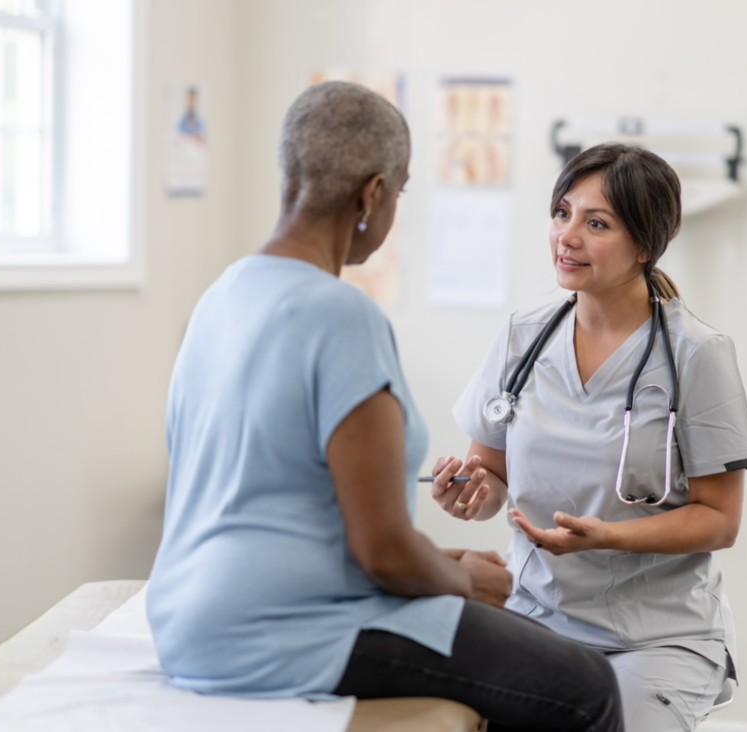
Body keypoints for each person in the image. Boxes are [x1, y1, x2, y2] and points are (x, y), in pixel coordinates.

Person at [147, 82, 623, 732]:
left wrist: (443, 561)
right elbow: (383, 554)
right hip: (285, 632)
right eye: (398, 192)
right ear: (372, 195)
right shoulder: (340, 314)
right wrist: (466, 584)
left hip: (185, 620)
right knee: (587, 686)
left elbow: (290, 509)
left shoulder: (222, 296)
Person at [432, 143, 747, 732]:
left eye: (596, 223)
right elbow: (490, 481)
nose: (568, 236)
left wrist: (605, 536)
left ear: (644, 245)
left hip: (654, 637)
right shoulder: (520, 339)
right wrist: (470, 491)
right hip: (533, 618)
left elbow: (720, 519)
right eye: (562, 213)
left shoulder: (697, 354)